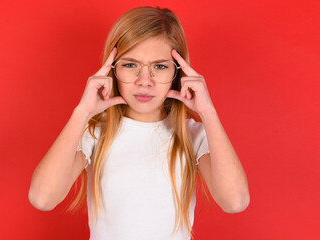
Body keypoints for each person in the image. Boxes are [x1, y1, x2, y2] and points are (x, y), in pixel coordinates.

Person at [28, 6, 250, 240]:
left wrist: (208, 113)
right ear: (112, 70)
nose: (145, 81)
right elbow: (42, 198)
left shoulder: (193, 134)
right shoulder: (95, 133)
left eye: (160, 66)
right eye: (130, 65)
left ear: (178, 72)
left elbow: (235, 201)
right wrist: (82, 112)